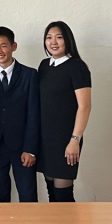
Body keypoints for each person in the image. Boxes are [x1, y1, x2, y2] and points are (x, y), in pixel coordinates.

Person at [0, 27, 40, 204]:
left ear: (14, 46)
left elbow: (34, 113)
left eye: (3, 46)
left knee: (28, 196)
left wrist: (30, 149)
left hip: (22, 146)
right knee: (0, 198)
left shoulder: (30, 75)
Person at [37, 21, 92, 202]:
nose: (53, 42)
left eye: (59, 37)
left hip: (66, 140)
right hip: (46, 139)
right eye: (49, 38)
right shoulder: (44, 65)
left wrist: (75, 140)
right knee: (51, 192)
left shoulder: (77, 67)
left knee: (63, 196)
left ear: (68, 40)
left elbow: (85, 106)